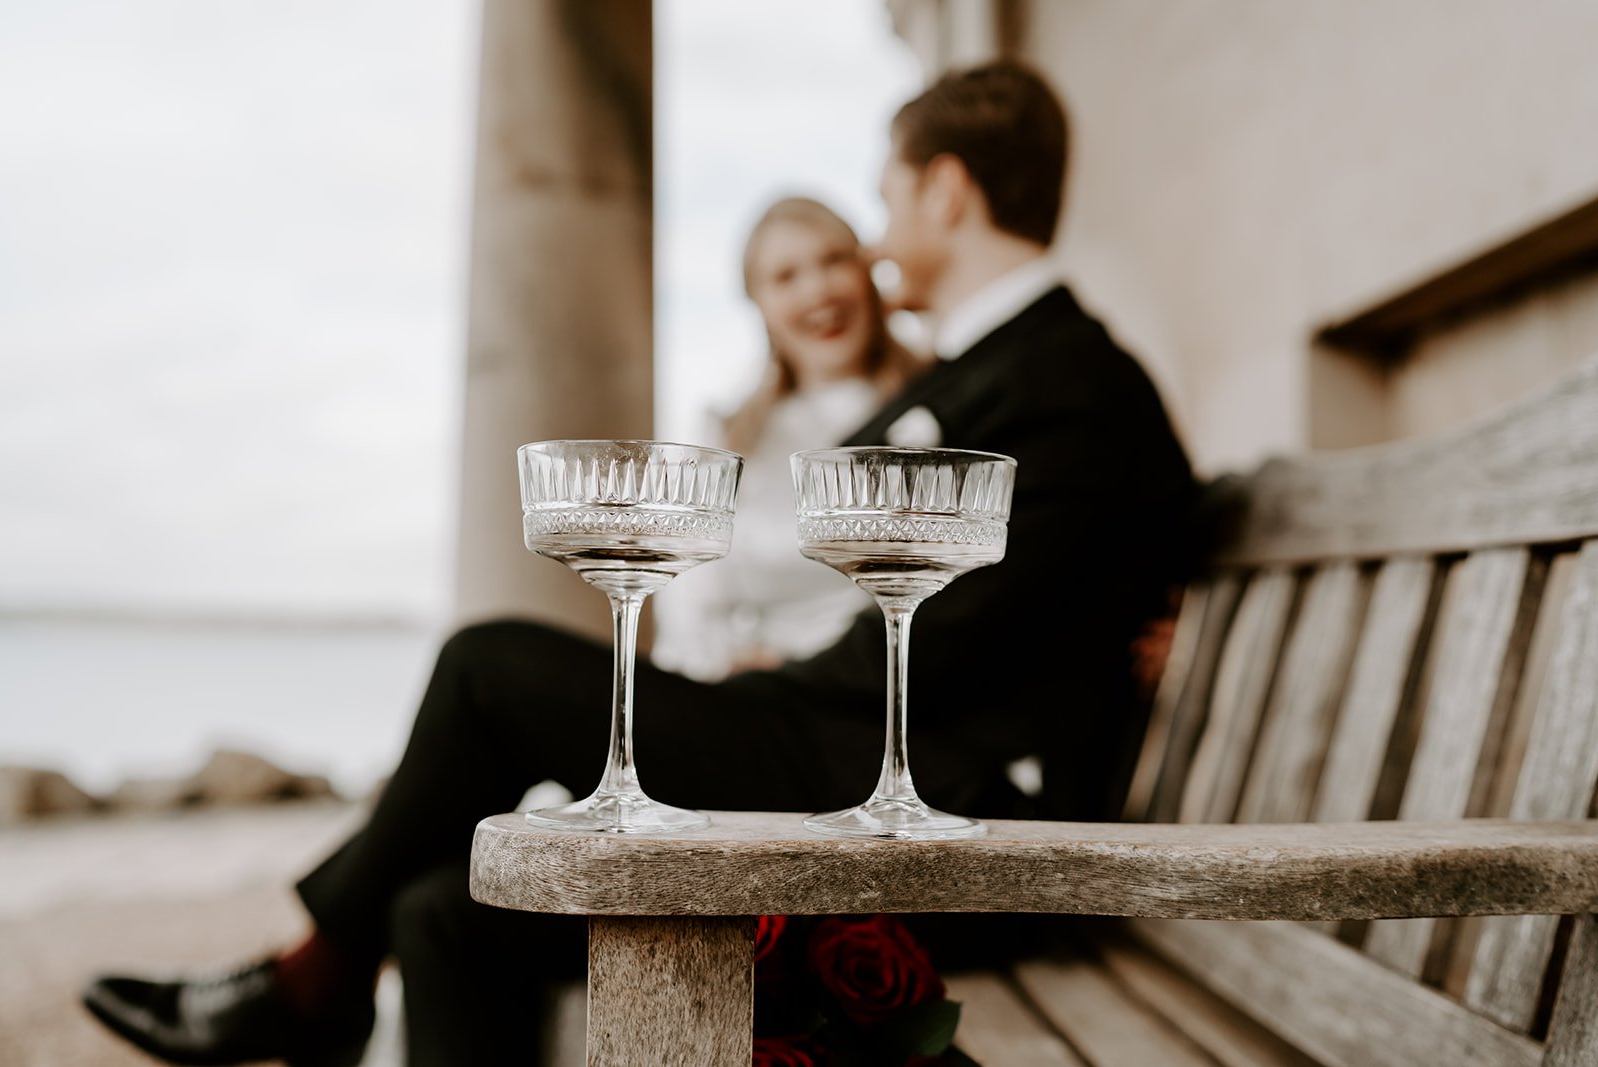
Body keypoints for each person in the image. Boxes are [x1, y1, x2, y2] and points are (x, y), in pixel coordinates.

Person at [81, 59, 1205, 1067]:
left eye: (891, 194)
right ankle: (323, 973)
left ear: (946, 190)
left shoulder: (1068, 379)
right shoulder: (1000, 373)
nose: (878, 229)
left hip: (940, 810)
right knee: (439, 907)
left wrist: (739, 702)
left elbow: (975, 627)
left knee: (488, 666)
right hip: (855, 752)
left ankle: (311, 978)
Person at [650, 195, 930, 682]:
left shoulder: (933, 409)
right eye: (785, 277)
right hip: (736, 693)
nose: (817, 290)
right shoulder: (725, 433)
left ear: (867, 273)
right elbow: (688, 594)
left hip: (872, 693)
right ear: (757, 301)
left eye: (833, 261)